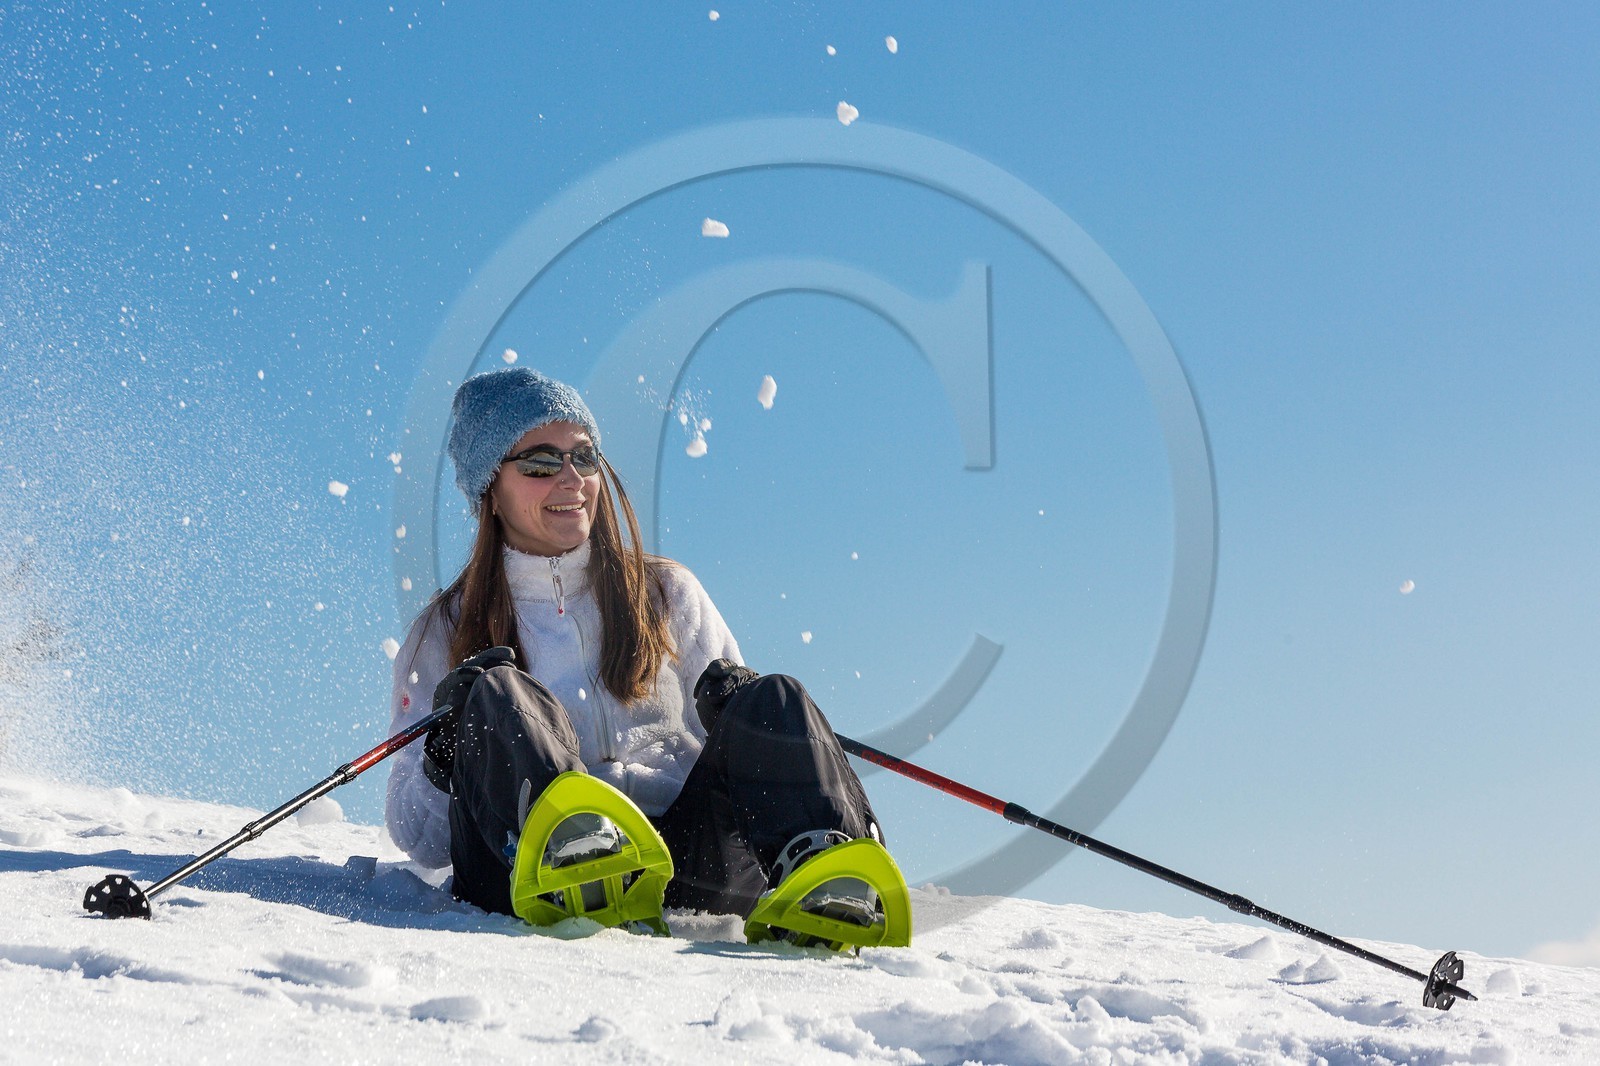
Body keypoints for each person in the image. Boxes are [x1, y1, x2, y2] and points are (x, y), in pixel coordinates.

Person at [385, 366, 883, 921]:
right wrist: (443, 756)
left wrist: (733, 708)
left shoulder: (666, 592)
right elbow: (415, 836)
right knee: (498, 691)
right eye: (541, 463)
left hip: (684, 866)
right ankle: (574, 849)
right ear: (490, 491)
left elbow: (748, 747)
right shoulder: (445, 631)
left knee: (774, 697)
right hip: (525, 877)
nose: (571, 478)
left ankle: (829, 881)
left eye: (584, 457)